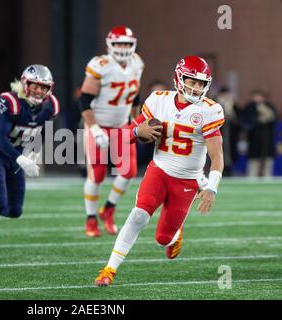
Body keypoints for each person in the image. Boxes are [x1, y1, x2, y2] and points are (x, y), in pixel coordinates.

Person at [94, 56, 225, 286]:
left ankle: (174, 235)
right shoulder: (158, 100)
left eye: (200, 83)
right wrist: (136, 133)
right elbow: (126, 135)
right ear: (178, 78)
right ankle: (109, 269)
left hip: (186, 180)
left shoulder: (210, 111)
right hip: (160, 169)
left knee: (163, 239)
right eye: (191, 81)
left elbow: (217, 156)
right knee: (139, 215)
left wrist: (211, 187)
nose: (196, 87)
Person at [0, 64, 59, 260]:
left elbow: (40, 130)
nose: (39, 91)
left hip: (18, 154)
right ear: (25, 84)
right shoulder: (10, 101)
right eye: (35, 86)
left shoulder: (50, 106)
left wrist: (34, 153)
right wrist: (21, 159)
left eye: (44, 87)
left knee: (15, 211)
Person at [79, 26, 144, 237]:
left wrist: (134, 119)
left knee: (129, 171)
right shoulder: (101, 65)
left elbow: (136, 95)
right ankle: (90, 219)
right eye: (119, 44)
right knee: (97, 174)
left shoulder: (137, 63)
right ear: (110, 45)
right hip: (98, 124)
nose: (123, 48)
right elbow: (84, 100)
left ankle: (108, 208)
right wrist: (95, 128)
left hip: (122, 125)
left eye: (126, 44)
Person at [242, 90, 278, 177]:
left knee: (268, 158)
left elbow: (274, 119)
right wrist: (258, 120)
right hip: (254, 137)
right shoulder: (250, 107)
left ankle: (267, 175)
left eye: (260, 96)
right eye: (256, 96)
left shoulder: (269, 106)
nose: (258, 98)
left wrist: (267, 117)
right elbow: (247, 121)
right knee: (254, 158)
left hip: (267, 136)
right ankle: (252, 175)